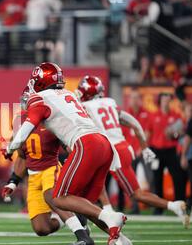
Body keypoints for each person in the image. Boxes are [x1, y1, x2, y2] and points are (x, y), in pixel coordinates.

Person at [2, 62, 132, 245]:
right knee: (84, 205)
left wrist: (10, 147)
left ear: (40, 82)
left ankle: (110, 216)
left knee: (59, 197)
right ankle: (122, 240)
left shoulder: (40, 98)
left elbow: (24, 132)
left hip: (86, 144)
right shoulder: (68, 94)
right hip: (103, 143)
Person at [77, 76, 188, 228]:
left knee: (136, 194)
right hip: (120, 148)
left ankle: (109, 217)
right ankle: (105, 213)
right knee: (95, 180)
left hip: (113, 152)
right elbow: (134, 124)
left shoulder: (86, 107)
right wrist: (144, 146)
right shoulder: (110, 102)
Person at [1, 88, 94, 245]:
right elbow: (23, 156)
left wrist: (75, 164)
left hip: (51, 168)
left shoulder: (53, 119)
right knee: (41, 229)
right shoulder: (19, 120)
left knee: (50, 195)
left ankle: (83, 236)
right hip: (33, 176)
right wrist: (13, 182)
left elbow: (70, 145)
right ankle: (73, 217)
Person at [146, 92, 186, 214]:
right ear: (160, 101)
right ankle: (159, 208)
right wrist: (146, 149)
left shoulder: (176, 115)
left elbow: (181, 133)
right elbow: (148, 134)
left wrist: (174, 134)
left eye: (168, 100)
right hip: (156, 151)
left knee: (178, 177)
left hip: (171, 150)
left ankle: (180, 205)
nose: (166, 102)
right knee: (157, 179)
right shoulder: (153, 115)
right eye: (164, 100)